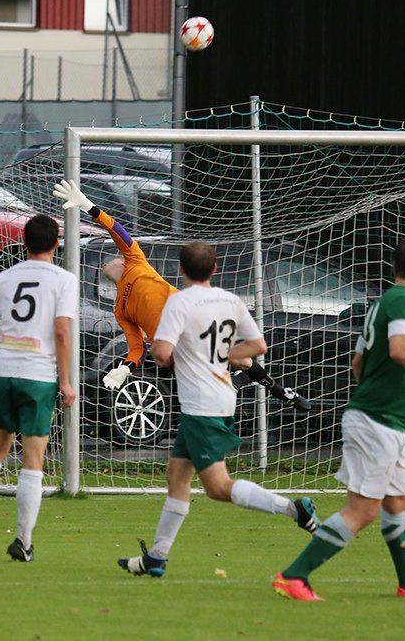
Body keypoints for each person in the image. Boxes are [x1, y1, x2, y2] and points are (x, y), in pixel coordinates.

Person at [272, 236, 405, 601]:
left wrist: (382, 388)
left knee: (398, 502)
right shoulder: (404, 301)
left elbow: (358, 364)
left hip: (386, 418)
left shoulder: (383, 303)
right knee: (362, 511)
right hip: (378, 420)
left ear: (394, 268)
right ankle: (293, 576)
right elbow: (400, 349)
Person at [115, 241, 319, 577]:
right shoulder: (230, 301)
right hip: (216, 397)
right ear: (215, 268)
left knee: (218, 487)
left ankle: (294, 510)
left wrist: (170, 353)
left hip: (202, 403)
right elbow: (258, 346)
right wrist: (220, 355)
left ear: (181, 269)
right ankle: (157, 557)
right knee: (177, 475)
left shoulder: (179, 302)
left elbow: (162, 353)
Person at [52, 179, 309, 409]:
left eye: (110, 259)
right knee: (211, 382)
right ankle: (242, 385)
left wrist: (88, 206)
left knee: (242, 361)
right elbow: (137, 347)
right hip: (174, 346)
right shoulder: (120, 309)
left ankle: (279, 391)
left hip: (191, 321)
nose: (106, 263)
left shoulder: (136, 260)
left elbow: (116, 230)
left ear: (121, 261)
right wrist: (126, 368)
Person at [0, 214, 78, 563]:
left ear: (24, 242)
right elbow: (61, 332)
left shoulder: (4, 277)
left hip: (2, 372)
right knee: (33, 458)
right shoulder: (64, 280)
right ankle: (23, 540)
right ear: (56, 244)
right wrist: (65, 380)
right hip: (37, 375)